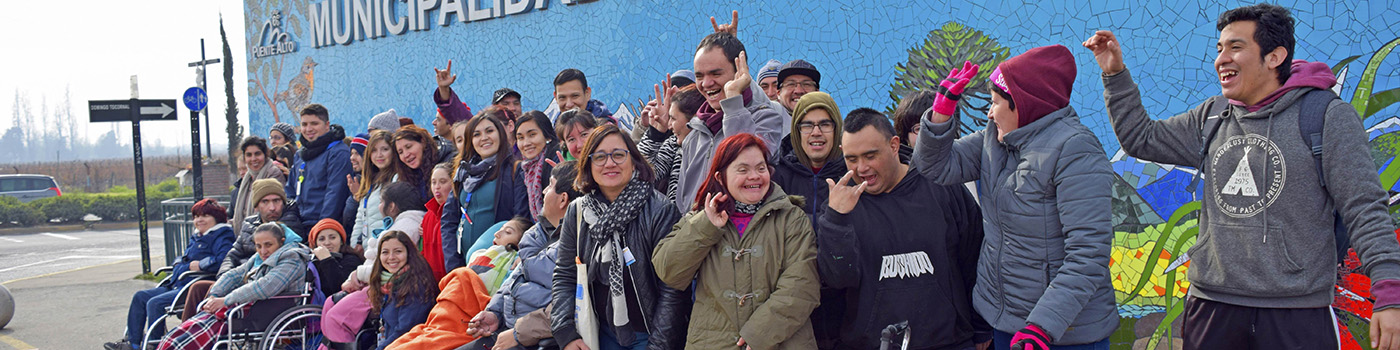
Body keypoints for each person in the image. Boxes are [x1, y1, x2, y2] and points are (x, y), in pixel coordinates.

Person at [1085, 4, 1400, 349]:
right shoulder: (1213, 116)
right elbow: (1140, 138)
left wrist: (1389, 294)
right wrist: (1114, 74)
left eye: (1236, 47)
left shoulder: (1325, 117)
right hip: (1212, 307)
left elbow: (1365, 207)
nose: (1222, 59)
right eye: (1219, 49)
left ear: (1274, 56)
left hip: (1296, 312)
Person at [917, 51, 1118, 349]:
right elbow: (936, 167)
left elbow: (1088, 254)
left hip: (1063, 332)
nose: (989, 112)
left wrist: (1042, 327)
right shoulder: (996, 138)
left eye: (995, 102)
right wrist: (940, 115)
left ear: (1022, 103)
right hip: (1006, 320)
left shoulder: (1076, 150)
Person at [817, 109, 988, 350]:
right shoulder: (840, 205)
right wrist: (836, 220)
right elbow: (837, 278)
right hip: (870, 344)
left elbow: (976, 259)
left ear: (894, 145)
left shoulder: (941, 186)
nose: (861, 168)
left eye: (870, 155)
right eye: (851, 159)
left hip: (949, 341)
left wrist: (981, 327)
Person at [654, 133, 820, 349]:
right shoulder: (701, 218)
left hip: (783, 341)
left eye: (761, 168)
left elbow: (802, 285)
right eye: (743, 170)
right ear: (720, 177)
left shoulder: (791, 218)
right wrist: (707, 226)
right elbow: (669, 270)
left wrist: (760, 333)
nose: (754, 176)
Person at [550, 124, 689, 350]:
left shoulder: (660, 210)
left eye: (618, 155)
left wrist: (658, 345)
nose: (609, 163)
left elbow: (672, 288)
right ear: (588, 164)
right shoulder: (578, 212)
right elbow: (565, 274)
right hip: (598, 332)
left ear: (633, 160)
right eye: (600, 157)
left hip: (648, 335)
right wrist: (565, 332)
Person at [463, 161, 581, 350]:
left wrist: (519, 334)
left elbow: (570, 304)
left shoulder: (578, 245)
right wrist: (495, 312)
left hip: (536, 339)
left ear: (563, 199)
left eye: (550, 185)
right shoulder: (537, 233)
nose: (543, 192)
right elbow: (515, 279)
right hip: (507, 328)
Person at [677, 31, 786, 214]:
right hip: (696, 234)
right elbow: (683, 200)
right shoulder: (695, 132)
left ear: (738, 72)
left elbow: (745, 157)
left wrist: (733, 99)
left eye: (715, 73)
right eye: (699, 76)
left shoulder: (766, 119)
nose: (706, 83)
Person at [106, 199, 236, 350]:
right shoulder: (198, 236)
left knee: (155, 303)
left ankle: (154, 345)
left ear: (217, 218)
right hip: (178, 283)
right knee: (140, 296)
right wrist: (180, 263)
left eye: (205, 216)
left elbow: (223, 260)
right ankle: (133, 344)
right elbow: (184, 259)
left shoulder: (223, 236)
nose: (199, 220)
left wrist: (200, 265)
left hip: (194, 286)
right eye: (196, 216)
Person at [157, 222, 310, 350]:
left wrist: (226, 300)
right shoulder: (259, 256)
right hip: (253, 305)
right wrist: (214, 295)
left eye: (268, 245)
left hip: (273, 309)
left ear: (281, 242)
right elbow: (235, 274)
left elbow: (265, 287)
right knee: (196, 323)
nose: (263, 251)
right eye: (258, 246)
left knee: (209, 324)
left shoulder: (292, 258)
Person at [179, 179, 301, 319]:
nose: (272, 207)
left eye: (276, 201)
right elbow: (232, 255)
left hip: (266, 291)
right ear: (256, 206)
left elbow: (267, 284)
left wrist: (228, 296)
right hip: (245, 278)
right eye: (265, 202)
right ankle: (193, 325)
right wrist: (222, 283)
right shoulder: (249, 224)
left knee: (209, 294)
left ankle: (202, 324)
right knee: (200, 288)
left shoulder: (290, 229)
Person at [442, 115, 530, 268]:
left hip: (498, 265)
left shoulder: (515, 170)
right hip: (462, 266)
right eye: (476, 134)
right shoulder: (463, 173)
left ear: (500, 135)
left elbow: (521, 219)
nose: (484, 138)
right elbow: (449, 221)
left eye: (489, 131)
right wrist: (453, 264)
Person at [285, 103, 353, 229]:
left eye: (314, 123)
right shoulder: (300, 155)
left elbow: (335, 195)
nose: (308, 129)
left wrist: (321, 229)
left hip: (324, 228)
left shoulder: (338, 153)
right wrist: (291, 222)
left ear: (327, 125)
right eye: (304, 124)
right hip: (300, 226)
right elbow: (290, 192)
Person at [369, 230, 440, 349]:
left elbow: (405, 332)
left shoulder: (417, 286)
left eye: (398, 251)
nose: (391, 257)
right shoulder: (388, 284)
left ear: (409, 253)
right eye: (385, 252)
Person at [231, 136, 288, 234]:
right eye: (249, 155)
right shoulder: (247, 178)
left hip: (265, 234)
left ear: (265, 155)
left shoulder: (273, 174)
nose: (253, 159)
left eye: (257, 154)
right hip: (247, 232)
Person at [352, 130, 397, 251]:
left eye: (385, 149)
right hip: (367, 251)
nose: (379, 155)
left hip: (385, 250)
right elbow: (360, 218)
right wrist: (355, 244)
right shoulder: (370, 182)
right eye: (374, 150)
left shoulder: (396, 179)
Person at [515, 110, 562, 219]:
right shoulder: (523, 169)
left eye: (532, 135)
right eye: (520, 138)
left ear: (547, 136)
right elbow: (521, 213)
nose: (526, 143)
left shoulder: (556, 160)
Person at [467, 217, 530, 294]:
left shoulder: (516, 262)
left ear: (522, 242)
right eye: (500, 229)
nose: (496, 234)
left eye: (508, 232)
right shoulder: (481, 253)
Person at [310, 218, 365, 298]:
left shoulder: (352, 259)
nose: (327, 243)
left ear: (341, 241)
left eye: (332, 237)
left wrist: (327, 260)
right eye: (321, 239)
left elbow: (340, 289)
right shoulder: (312, 261)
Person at [423, 163, 456, 280]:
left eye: (442, 182)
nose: (437, 187)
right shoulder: (428, 216)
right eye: (433, 182)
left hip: (451, 281)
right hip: (430, 283)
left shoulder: (458, 214)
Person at [394, 124, 440, 202]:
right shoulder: (406, 177)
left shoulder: (443, 163)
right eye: (400, 152)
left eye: (408, 147)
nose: (406, 155)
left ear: (423, 142)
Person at [344, 133, 370, 241]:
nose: (352, 158)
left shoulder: (376, 182)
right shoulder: (357, 181)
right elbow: (348, 221)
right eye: (351, 153)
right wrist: (355, 197)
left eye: (357, 154)